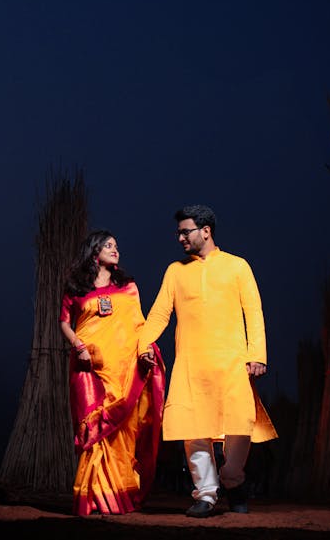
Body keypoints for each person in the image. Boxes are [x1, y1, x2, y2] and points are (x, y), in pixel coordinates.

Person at [138, 205, 277, 517]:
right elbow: (160, 313)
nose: (180, 238)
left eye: (185, 232)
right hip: (191, 364)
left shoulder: (238, 266)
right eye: (178, 233)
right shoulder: (175, 271)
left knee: (239, 424)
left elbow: (253, 312)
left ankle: (233, 479)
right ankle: (205, 494)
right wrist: (143, 343)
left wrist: (257, 354)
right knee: (193, 428)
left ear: (206, 231)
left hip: (232, 362)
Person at [60, 229, 167, 516]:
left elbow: (139, 322)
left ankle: (119, 495)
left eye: (116, 245)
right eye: (108, 245)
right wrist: (78, 345)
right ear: (94, 251)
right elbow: (64, 323)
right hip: (89, 365)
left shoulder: (128, 286)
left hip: (124, 366)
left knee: (124, 427)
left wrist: (145, 349)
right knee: (94, 424)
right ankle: (93, 497)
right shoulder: (76, 287)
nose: (115, 249)